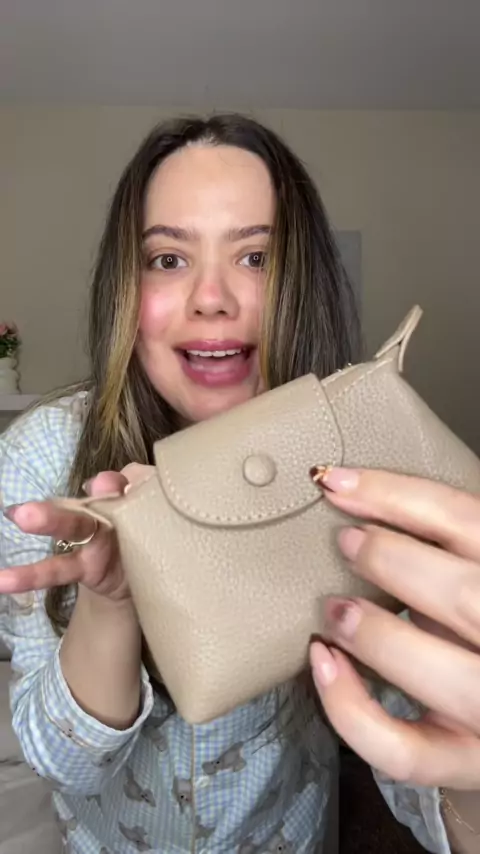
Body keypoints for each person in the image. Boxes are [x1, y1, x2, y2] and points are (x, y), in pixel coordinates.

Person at [0, 113, 477, 854]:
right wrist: (111, 601)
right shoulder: (43, 454)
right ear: (125, 288)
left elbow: (424, 768)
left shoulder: (368, 464)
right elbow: (60, 765)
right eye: (167, 259)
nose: (212, 297)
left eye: (256, 257)